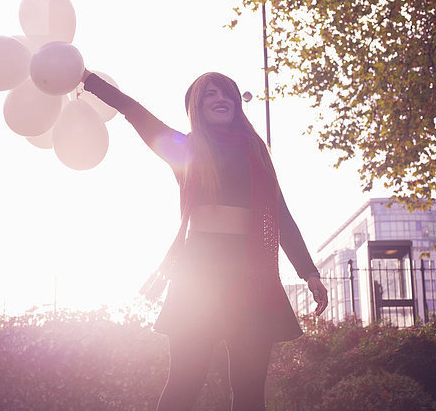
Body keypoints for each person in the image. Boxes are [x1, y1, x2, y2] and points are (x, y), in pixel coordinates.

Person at [82, 69, 328, 411]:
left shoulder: (255, 152)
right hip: (198, 277)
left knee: (249, 391)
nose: (220, 100)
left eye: (226, 94)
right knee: (184, 382)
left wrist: (309, 272)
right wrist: (88, 80)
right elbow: (134, 111)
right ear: (196, 106)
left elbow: (281, 215)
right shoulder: (185, 149)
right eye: (210, 95)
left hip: (252, 278)